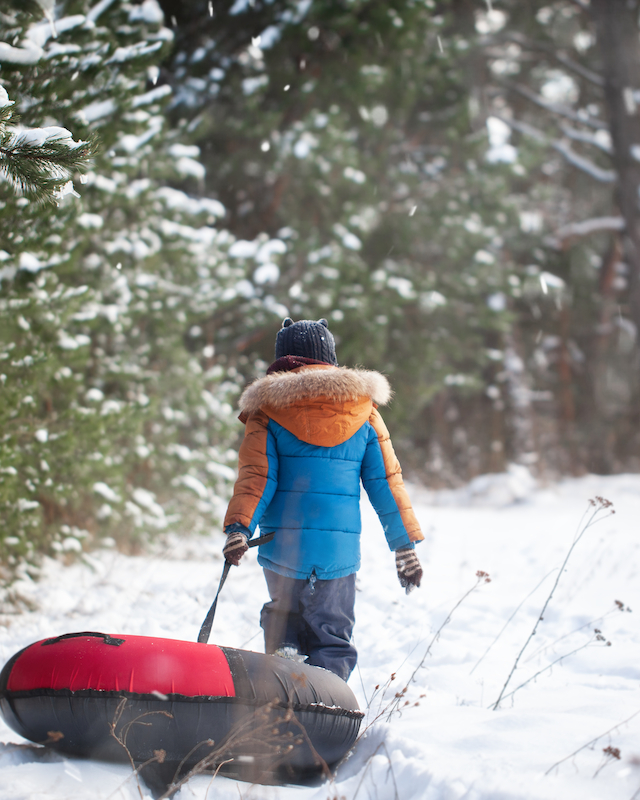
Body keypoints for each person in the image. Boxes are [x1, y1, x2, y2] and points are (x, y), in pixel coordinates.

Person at [222, 317, 423, 682]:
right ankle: (328, 705)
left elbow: (256, 478)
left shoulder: (267, 412)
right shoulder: (364, 412)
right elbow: (387, 484)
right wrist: (404, 544)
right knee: (332, 634)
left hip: (284, 546)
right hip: (338, 550)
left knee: (283, 623)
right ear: (330, 357)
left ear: (283, 358)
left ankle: (284, 698)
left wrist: (239, 528)